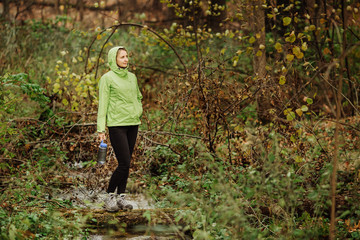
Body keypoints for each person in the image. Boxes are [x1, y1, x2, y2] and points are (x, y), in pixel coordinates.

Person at [97, 46, 143, 212]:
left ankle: (121, 197)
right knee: (124, 163)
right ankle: (109, 196)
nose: (126, 59)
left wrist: (138, 110)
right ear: (113, 59)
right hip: (116, 125)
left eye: (127, 56)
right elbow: (103, 105)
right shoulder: (107, 78)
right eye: (122, 57)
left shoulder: (132, 77)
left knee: (127, 163)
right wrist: (101, 130)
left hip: (133, 123)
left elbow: (138, 96)